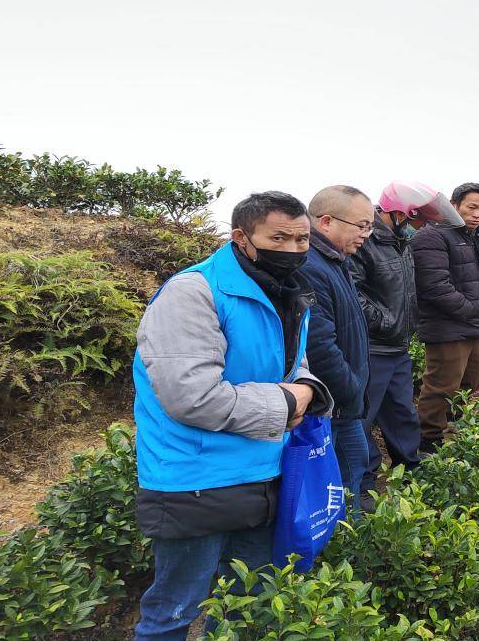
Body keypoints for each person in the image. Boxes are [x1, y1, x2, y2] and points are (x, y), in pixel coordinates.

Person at [132, 192, 333, 641]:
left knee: (247, 604)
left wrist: (308, 391)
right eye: (279, 237)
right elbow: (193, 397)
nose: (294, 249)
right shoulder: (193, 292)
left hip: (264, 472)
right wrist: (289, 403)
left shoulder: (287, 293)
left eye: (302, 239)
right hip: (196, 481)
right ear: (242, 237)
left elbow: (293, 368)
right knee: (175, 610)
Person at [349, 182, 461, 495]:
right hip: (372, 346)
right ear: (400, 214)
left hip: (397, 345)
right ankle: (364, 482)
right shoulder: (365, 242)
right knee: (363, 418)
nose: (423, 226)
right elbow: (351, 292)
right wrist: (384, 321)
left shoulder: (400, 241)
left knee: (401, 412)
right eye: (420, 219)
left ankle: (410, 469)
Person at [299, 185, 373, 509]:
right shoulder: (311, 267)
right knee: (338, 492)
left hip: (344, 405)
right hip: (334, 407)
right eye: (362, 225)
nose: (367, 234)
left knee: (351, 478)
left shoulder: (335, 261)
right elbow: (319, 346)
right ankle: (343, 556)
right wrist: (351, 391)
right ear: (326, 221)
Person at [411, 182, 479, 455]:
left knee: (475, 378)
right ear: (453, 204)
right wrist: (472, 309)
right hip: (447, 327)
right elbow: (435, 286)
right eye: (472, 207)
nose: (478, 214)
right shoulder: (432, 236)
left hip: (474, 327)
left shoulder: (472, 237)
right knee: (442, 386)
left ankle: (453, 431)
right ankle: (428, 441)